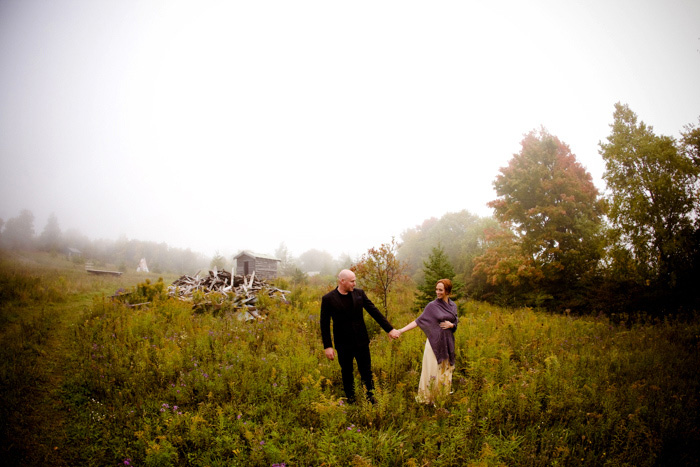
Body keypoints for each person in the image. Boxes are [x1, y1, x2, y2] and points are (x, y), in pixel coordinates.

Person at [320, 269, 400, 403]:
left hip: (361, 341)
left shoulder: (359, 294)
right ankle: (351, 399)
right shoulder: (328, 299)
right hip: (343, 343)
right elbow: (324, 324)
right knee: (346, 372)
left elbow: (374, 312)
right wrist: (328, 346)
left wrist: (389, 329)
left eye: (355, 281)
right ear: (342, 281)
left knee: (366, 371)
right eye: (352, 281)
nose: (354, 283)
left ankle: (370, 397)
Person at [397, 279, 458, 404]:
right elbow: (418, 321)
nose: (437, 292)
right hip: (435, 344)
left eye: (440, 290)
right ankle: (429, 398)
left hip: (448, 343)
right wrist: (401, 330)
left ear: (447, 291)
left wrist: (452, 325)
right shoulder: (432, 306)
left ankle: (442, 396)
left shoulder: (453, 306)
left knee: (445, 369)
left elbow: (455, 321)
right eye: (436, 289)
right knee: (433, 370)